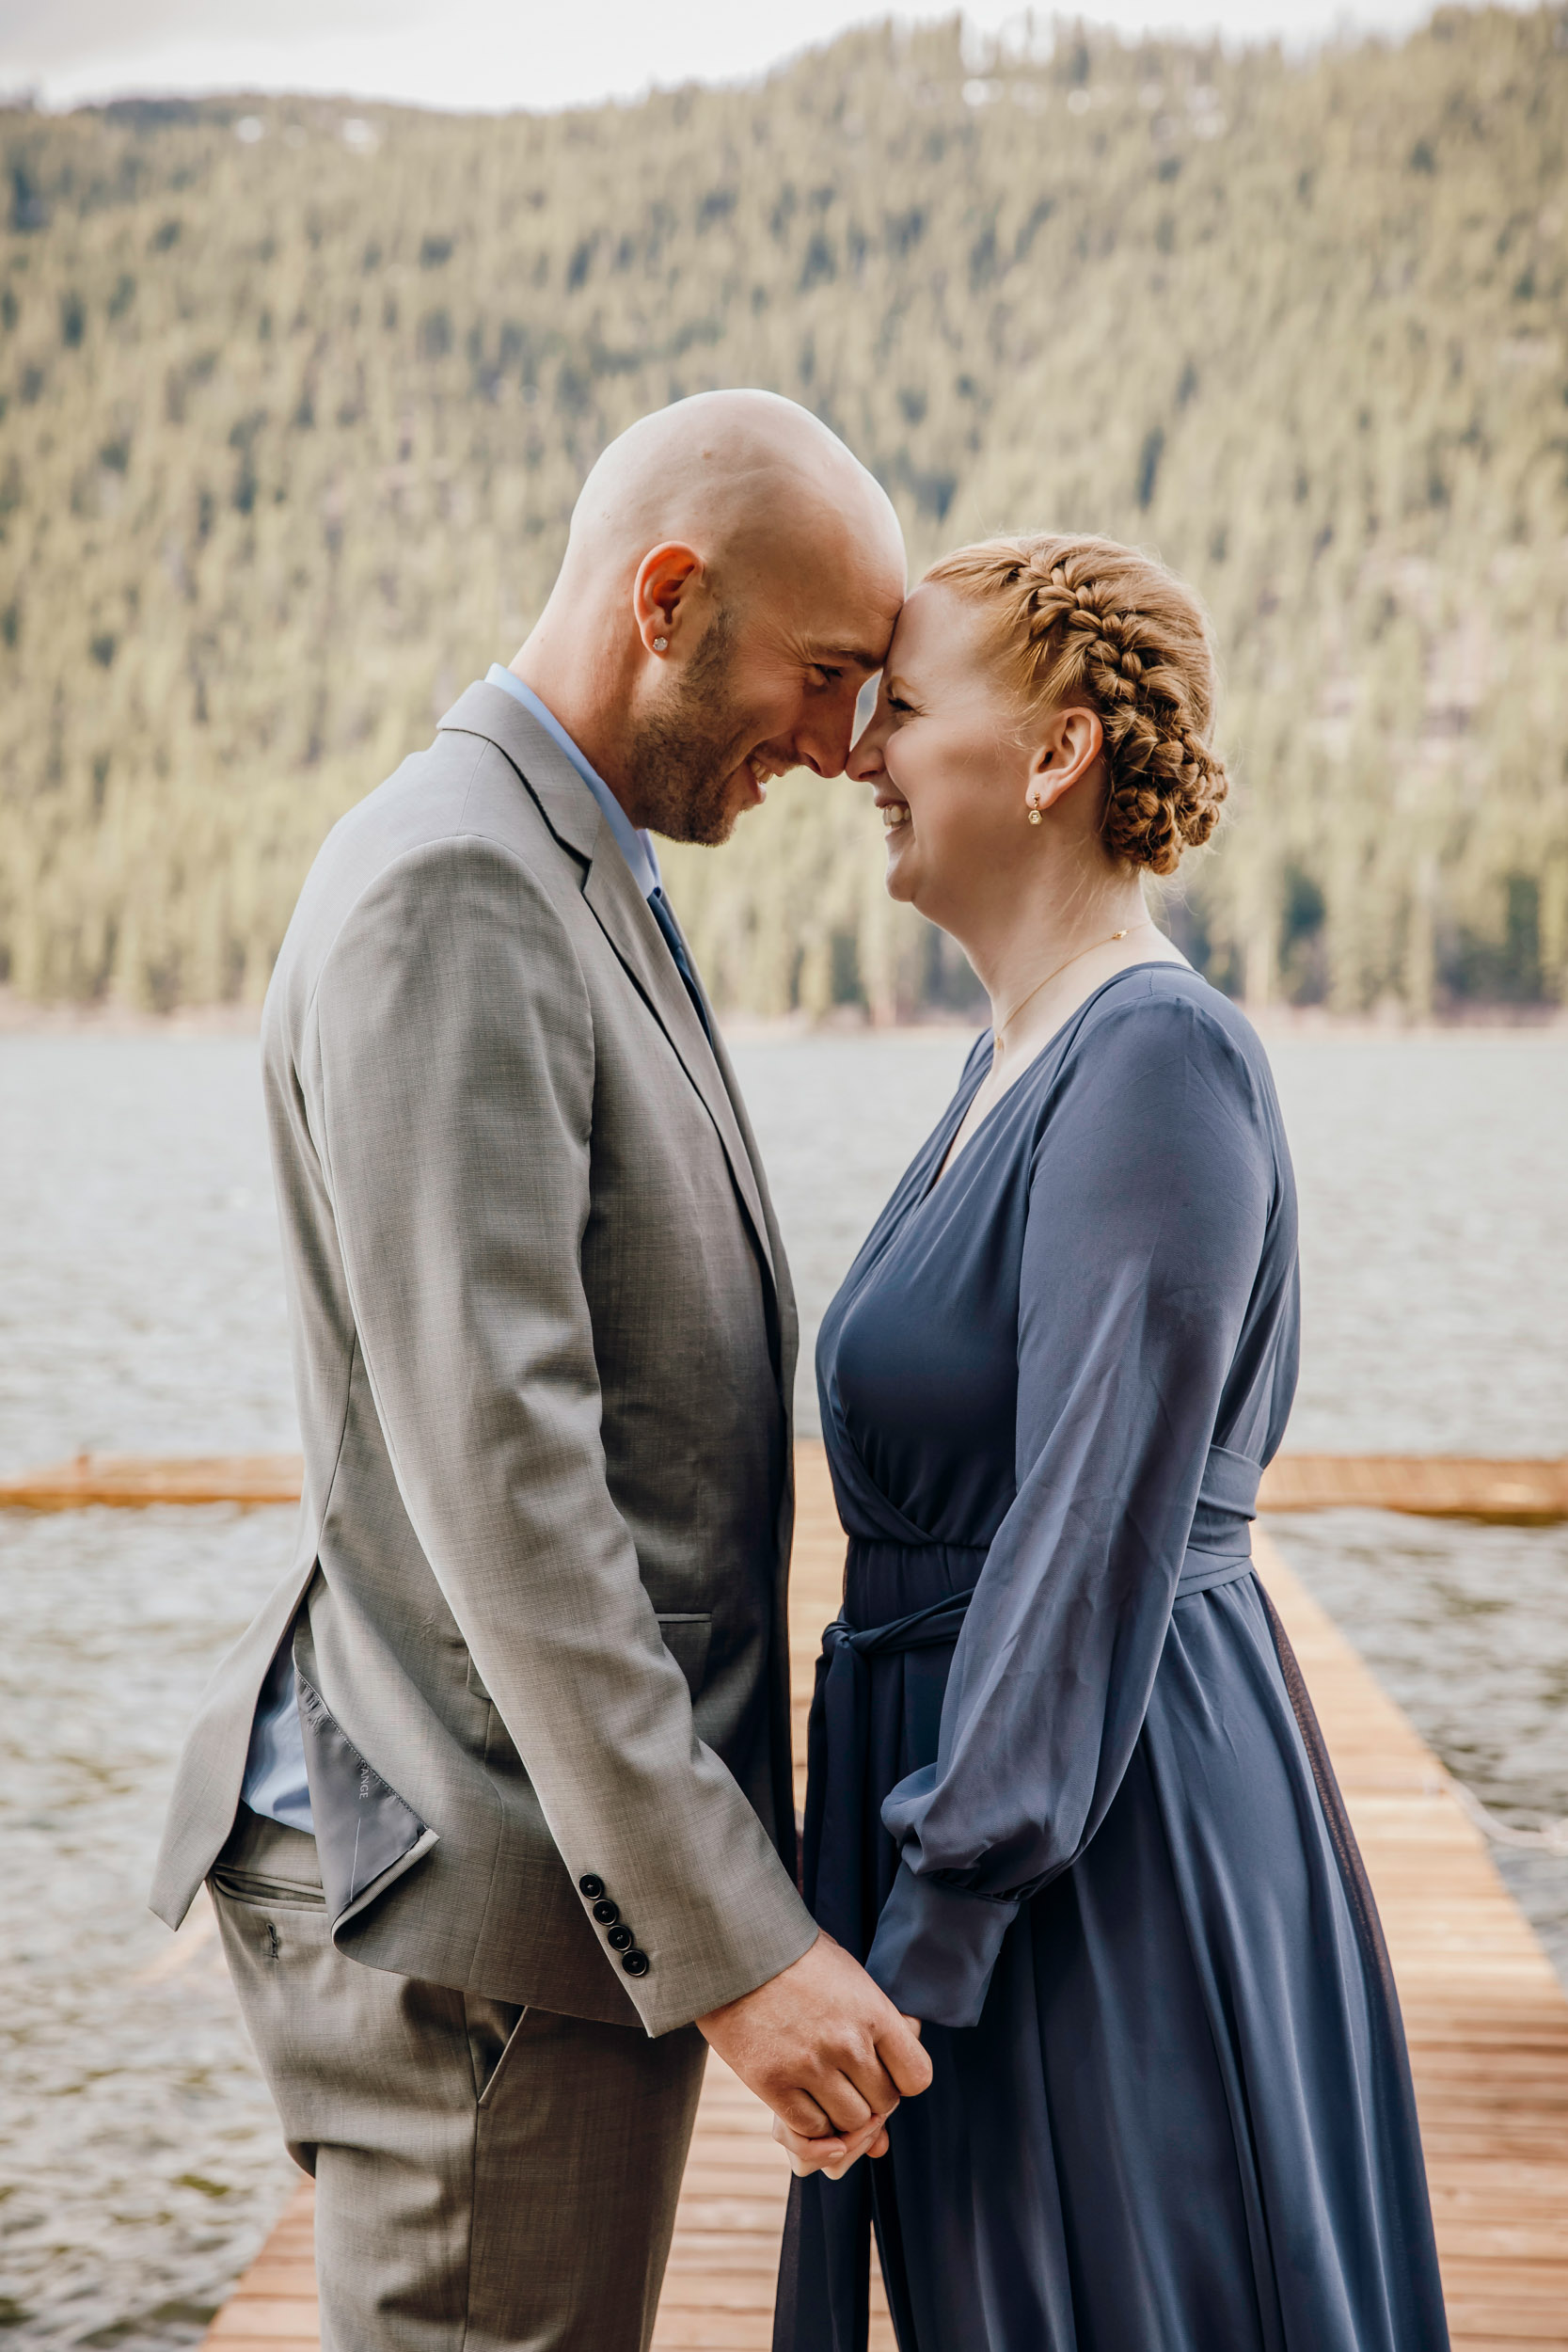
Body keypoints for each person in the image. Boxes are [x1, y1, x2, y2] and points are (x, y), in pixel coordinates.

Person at [150, 389, 930, 2352]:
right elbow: (512, 1497)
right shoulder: (460, 885)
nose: (847, 746)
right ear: (666, 599)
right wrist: (739, 1942)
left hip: (536, 1881)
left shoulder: (571, 860)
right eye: (826, 674)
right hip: (492, 1904)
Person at [772, 534, 1450, 2351]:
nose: (856, 754)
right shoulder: (1013, 1056)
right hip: (997, 1830)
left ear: (1057, 756)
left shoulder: (1155, 1061)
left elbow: (1084, 1534)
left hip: (1092, 1862)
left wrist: (930, 1941)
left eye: (901, 711)